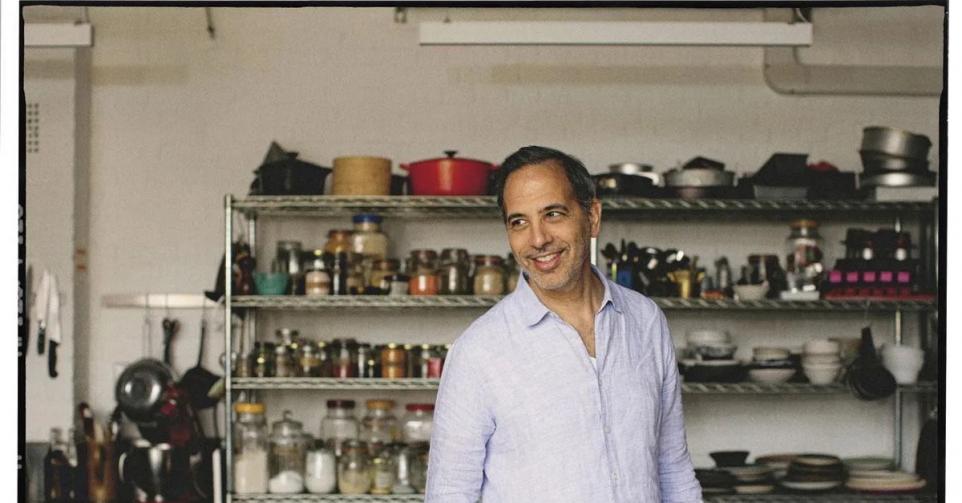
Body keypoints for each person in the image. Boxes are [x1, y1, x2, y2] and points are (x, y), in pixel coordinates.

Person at [424, 146, 702, 503]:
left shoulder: (646, 321)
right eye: (519, 222)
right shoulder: (479, 351)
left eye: (553, 214)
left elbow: (673, 468)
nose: (538, 239)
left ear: (592, 217)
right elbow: (449, 493)